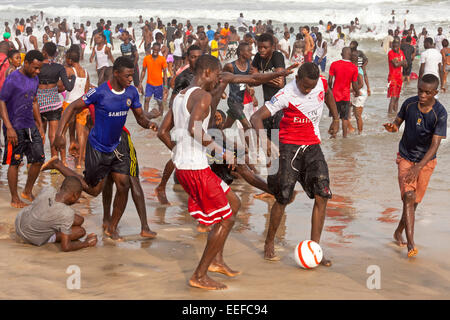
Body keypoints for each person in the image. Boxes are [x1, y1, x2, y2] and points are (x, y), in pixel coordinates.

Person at [41, 57, 158, 240]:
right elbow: (72, 107)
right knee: (95, 190)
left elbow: (140, 118)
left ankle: (112, 227)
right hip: (97, 148)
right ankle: (58, 165)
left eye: (132, 75)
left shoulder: (132, 92)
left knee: (123, 184)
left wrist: (150, 123)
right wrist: (59, 135)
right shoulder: (99, 92)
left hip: (118, 146)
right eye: (128, 76)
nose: (131, 79)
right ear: (117, 74)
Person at [157, 55, 241, 290]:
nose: (218, 81)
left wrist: (179, 153)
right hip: (195, 169)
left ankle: (216, 260)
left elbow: (162, 132)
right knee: (225, 218)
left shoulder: (179, 96)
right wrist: (223, 153)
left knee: (234, 204)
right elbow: (195, 129)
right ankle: (199, 275)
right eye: (217, 75)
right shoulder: (203, 96)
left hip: (189, 165)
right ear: (207, 72)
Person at [250, 62, 339, 264]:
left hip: (313, 146)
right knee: (283, 196)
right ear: (297, 78)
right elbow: (256, 117)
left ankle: (315, 248)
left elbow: (329, 94)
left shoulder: (321, 83)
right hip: (289, 147)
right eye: (304, 86)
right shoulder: (286, 93)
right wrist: (264, 141)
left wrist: (336, 118)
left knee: (322, 194)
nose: (307, 90)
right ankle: (269, 241)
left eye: (311, 87)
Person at [383, 74, 447, 258]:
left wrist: (418, 167)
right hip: (405, 156)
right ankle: (411, 244)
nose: (422, 95)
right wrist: (393, 127)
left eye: (427, 92)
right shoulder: (409, 104)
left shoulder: (440, 113)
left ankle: (398, 232)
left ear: (435, 93)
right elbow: (397, 123)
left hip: (426, 162)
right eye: (420, 90)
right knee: (409, 197)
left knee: (414, 203)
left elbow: (435, 145)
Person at [0, 50, 45, 208]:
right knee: (15, 161)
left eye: (39, 68)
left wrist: (40, 124)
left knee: (39, 158)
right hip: (14, 126)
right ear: (26, 63)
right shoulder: (13, 78)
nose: (37, 71)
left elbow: (34, 101)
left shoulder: (35, 78)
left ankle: (27, 190)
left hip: (30, 124)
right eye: (35, 68)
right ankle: (14, 198)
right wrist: (9, 127)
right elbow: (2, 101)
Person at [15, 176, 98, 251]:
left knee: (79, 220)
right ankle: (50, 237)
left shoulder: (48, 189)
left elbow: (45, 205)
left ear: (61, 187)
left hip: (19, 223)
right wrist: (86, 243)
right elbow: (66, 247)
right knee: (80, 231)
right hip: (31, 238)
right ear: (75, 196)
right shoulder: (67, 213)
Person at [251, 33, 286, 141]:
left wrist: (260, 77)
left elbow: (280, 82)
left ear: (272, 47)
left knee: (278, 137)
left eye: (265, 47)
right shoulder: (257, 57)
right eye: (259, 47)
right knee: (266, 136)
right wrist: (268, 78)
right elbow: (252, 81)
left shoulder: (277, 56)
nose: (261, 50)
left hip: (280, 103)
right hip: (267, 102)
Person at [64, 46, 91, 169]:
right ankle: (79, 162)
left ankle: (63, 158)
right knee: (81, 133)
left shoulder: (69, 70)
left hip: (69, 103)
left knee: (63, 131)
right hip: (82, 104)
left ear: (69, 60)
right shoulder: (85, 72)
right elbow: (86, 91)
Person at [328, 47, 359, 138]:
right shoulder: (354, 68)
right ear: (350, 55)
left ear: (341, 54)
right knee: (345, 119)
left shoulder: (334, 64)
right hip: (345, 96)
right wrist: (357, 92)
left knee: (335, 117)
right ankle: (344, 137)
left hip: (335, 95)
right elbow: (354, 84)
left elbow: (330, 81)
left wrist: (330, 90)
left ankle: (333, 135)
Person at [139, 42, 168, 117]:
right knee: (146, 101)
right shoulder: (146, 58)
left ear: (159, 51)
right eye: (154, 49)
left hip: (159, 86)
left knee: (160, 103)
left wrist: (165, 86)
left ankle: (161, 117)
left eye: (157, 50)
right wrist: (140, 82)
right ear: (152, 49)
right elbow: (143, 71)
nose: (155, 51)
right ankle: (145, 118)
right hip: (149, 85)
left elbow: (165, 73)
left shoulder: (162, 59)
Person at [387, 38, 407, 114]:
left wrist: (400, 62)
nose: (395, 45)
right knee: (393, 97)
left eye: (397, 43)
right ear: (392, 44)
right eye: (394, 43)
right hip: (392, 78)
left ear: (399, 44)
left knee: (397, 98)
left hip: (399, 77)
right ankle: (389, 115)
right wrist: (402, 62)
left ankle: (395, 115)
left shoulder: (401, 52)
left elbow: (406, 64)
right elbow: (395, 65)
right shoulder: (390, 53)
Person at [350, 51, 367, 134]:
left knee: (357, 115)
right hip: (356, 92)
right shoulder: (354, 67)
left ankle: (360, 133)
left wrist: (353, 90)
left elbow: (361, 84)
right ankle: (351, 128)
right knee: (345, 110)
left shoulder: (358, 69)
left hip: (360, 93)